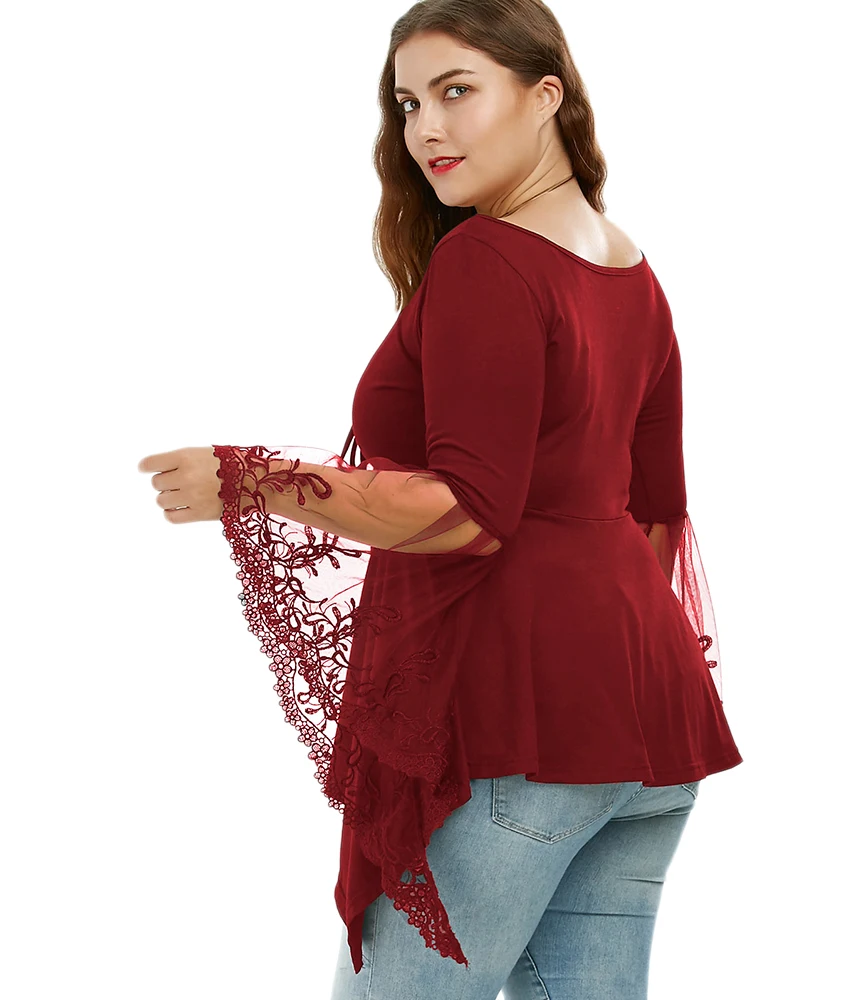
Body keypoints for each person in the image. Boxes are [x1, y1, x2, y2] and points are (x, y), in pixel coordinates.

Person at [139, 2, 743, 997]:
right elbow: (651, 518)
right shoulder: (629, 267)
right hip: (647, 721)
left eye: (457, 90)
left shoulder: (489, 259)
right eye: (409, 102)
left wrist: (250, 481)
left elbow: (467, 511)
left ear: (544, 96)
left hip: (518, 732)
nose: (427, 127)